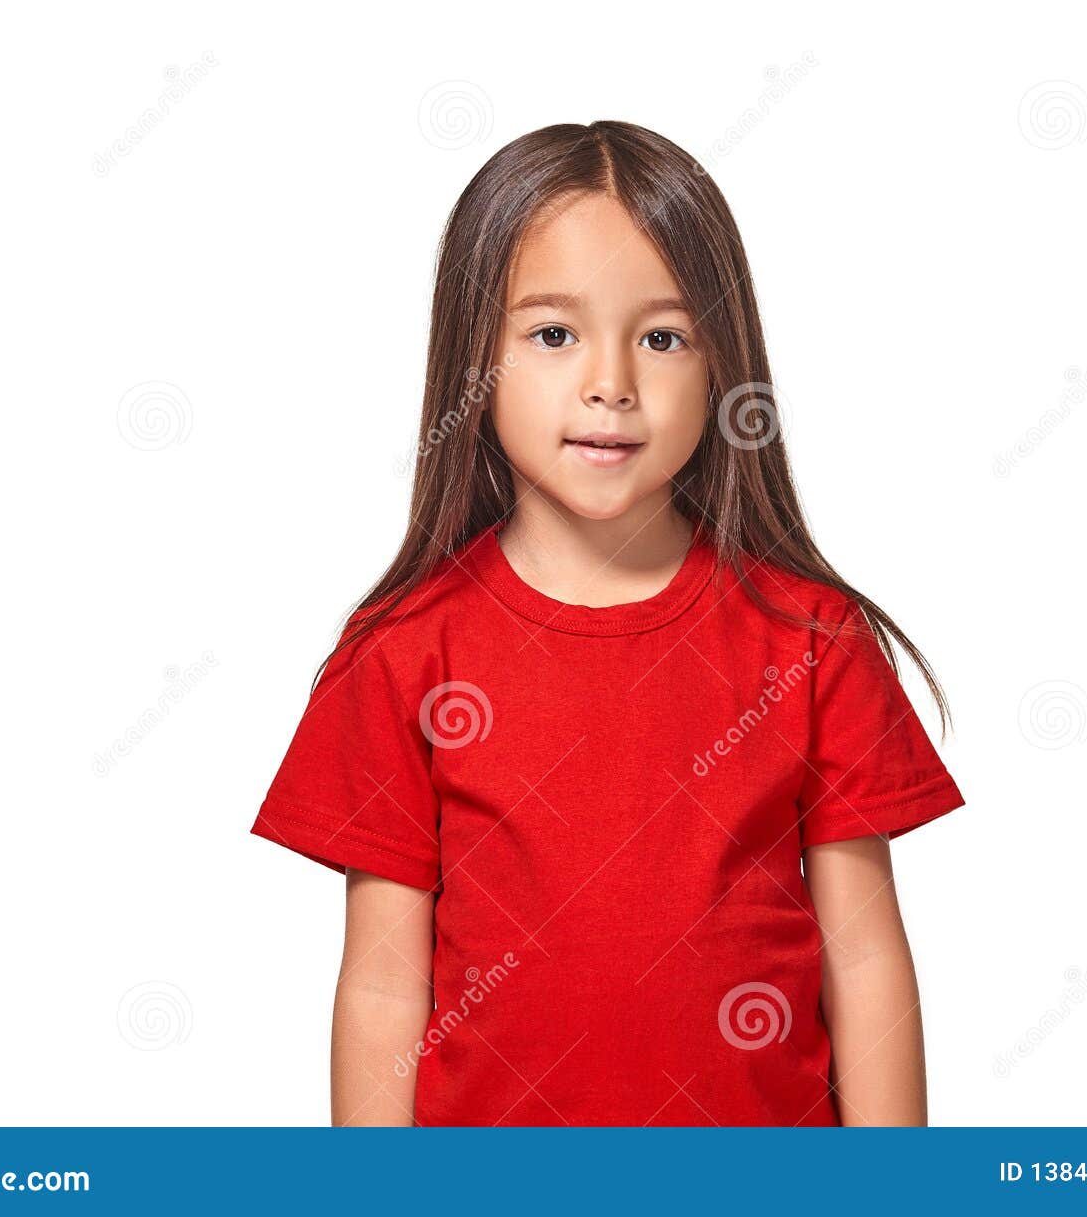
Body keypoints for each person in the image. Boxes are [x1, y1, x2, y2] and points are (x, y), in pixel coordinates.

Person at [250, 120, 967, 1126]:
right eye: (553, 334)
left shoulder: (813, 641)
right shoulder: (403, 653)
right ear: (476, 359)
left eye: (662, 337)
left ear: (722, 365)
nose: (611, 383)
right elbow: (379, 988)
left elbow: (866, 959)